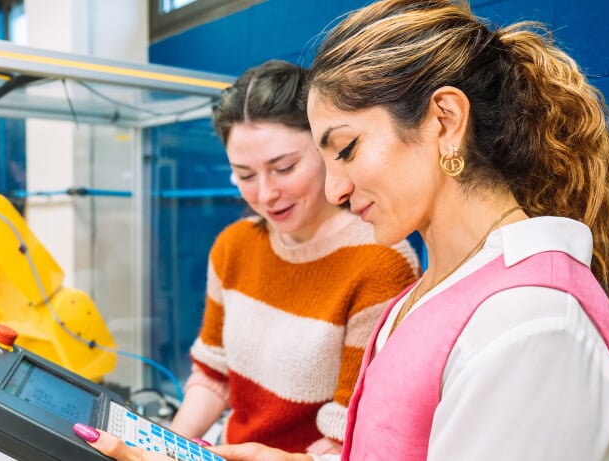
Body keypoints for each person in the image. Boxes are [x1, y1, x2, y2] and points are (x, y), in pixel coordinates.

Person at [74, 1, 609, 460]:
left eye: (346, 150)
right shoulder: (436, 291)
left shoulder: (534, 324)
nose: (334, 191)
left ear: (445, 121)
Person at [144, 59, 422, 456]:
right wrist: (163, 447)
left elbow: (350, 433)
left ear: (327, 150)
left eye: (284, 168)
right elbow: (213, 373)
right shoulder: (233, 246)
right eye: (245, 175)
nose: (266, 194)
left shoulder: (380, 262)